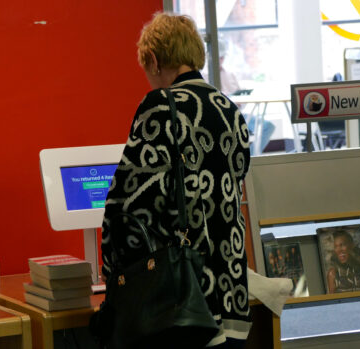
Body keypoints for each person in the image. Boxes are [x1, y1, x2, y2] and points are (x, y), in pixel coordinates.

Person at [100, 12, 251, 348]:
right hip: (234, 298)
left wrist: (113, 275)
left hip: (186, 305)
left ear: (153, 60)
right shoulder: (230, 110)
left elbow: (128, 206)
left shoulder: (161, 106)